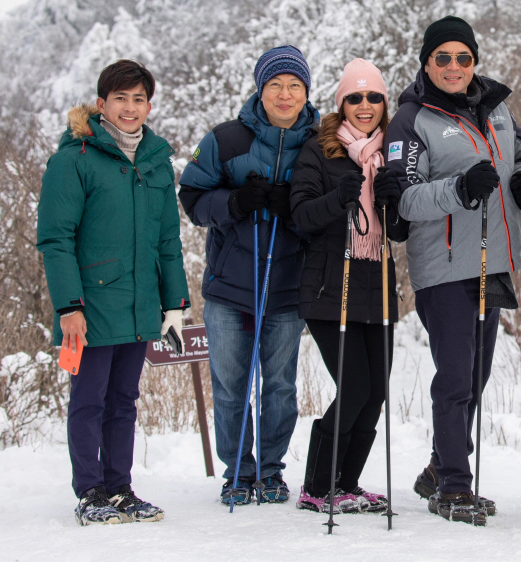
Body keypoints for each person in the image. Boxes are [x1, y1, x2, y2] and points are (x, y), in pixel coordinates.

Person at [382, 15, 521, 526]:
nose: (453, 67)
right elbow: (402, 202)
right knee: (455, 380)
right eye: (442, 58)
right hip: (444, 267)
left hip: (493, 262)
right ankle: (453, 485)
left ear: (475, 63)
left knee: (477, 374)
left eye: (463, 58)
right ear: (426, 62)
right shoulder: (410, 120)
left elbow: (508, 163)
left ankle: (436, 469)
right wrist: (460, 188)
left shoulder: (496, 108)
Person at [38, 60, 189, 525]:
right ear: (102, 104)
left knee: (124, 400)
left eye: (138, 99)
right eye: (120, 98)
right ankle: (90, 491)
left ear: (148, 105)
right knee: (89, 400)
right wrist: (69, 306)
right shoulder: (74, 160)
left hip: (140, 304)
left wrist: (174, 304)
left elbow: (168, 240)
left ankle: (119, 488)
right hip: (91, 307)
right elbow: (55, 237)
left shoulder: (155, 162)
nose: (130, 107)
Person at [178, 45, 318, 506]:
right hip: (229, 288)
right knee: (232, 383)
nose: (284, 94)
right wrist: (235, 204)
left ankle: (272, 472)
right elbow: (193, 199)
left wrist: (293, 212)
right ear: (260, 90)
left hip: (287, 287)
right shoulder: (225, 139)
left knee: (279, 385)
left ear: (305, 92)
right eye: (275, 85)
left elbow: (328, 213)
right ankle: (238, 471)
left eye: (294, 86)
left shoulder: (321, 144)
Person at [288, 58, 408, 514]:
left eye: (373, 96)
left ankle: (348, 484)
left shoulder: (391, 152)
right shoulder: (319, 151)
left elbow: (396, 232)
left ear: (383, 102)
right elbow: (300, 217)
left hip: (376, 283)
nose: (364, 105)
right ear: (341, 104)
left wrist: (393, 200)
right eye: (354, 97)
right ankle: (317, 486)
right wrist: (337, 200)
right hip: (328, 287)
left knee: (375, 392)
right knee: (354, 387)